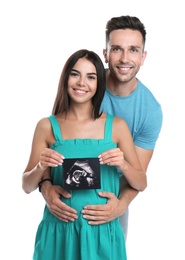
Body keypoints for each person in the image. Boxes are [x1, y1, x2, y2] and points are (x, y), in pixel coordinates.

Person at [40, 15, 163, 240]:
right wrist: (45, 186)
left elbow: (136, 176)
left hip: (111, 197)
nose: (125, 58)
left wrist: (119, 207)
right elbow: (55, 141)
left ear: (143, 56)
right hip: (66, 199)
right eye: (117, 49)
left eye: (133, 50)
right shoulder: (84, 86)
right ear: (105, 54)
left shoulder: (150, 111)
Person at [22, 49, 147, 260]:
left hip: (102, 234)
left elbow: (141, 182)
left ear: (99, 84)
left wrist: (123, 164)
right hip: (58, 233)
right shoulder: (46, 126)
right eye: (75, 74)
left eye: (91, 77)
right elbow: (26, 185)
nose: (82, 82)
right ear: (65, 78)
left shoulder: (116, 126)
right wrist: (41, 167)